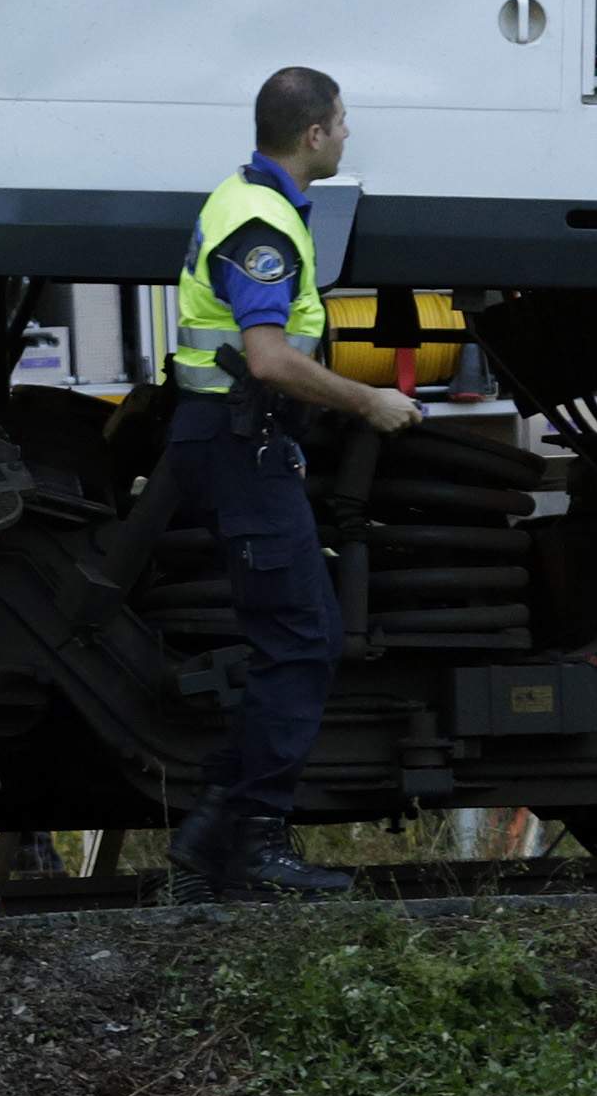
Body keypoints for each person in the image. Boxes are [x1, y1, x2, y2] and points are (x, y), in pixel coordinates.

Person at [157, 67, 421, 902]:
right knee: (302, 639)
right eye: (342, 123)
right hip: (241, 447)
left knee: (294, 636)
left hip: (243, 444)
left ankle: (210, 837)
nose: (348, 135)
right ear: (312, 134)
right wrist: (368, 400)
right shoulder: (262, 221)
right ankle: (257, 848)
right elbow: (268, 359)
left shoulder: (250, 200)